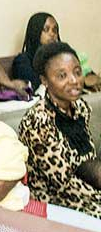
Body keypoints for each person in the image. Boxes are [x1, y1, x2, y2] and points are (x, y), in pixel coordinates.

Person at [18, 42, 101, 219]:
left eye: (77, 72)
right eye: (62, 76)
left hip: (87, 190)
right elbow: (64, 183)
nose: (74, 80)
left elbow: (87, 162)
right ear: (44, 81)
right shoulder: (38, 122)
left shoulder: (80, 108)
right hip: (56, 202)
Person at [12, 12, 101, 91]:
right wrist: (82, 82)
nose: (52, 34)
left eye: (55, 30)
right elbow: (36, 86)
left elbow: (87, 75)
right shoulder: (23, 60)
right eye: (46, 30)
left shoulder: (64, 57)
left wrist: (90, 77)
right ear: (35, 32)